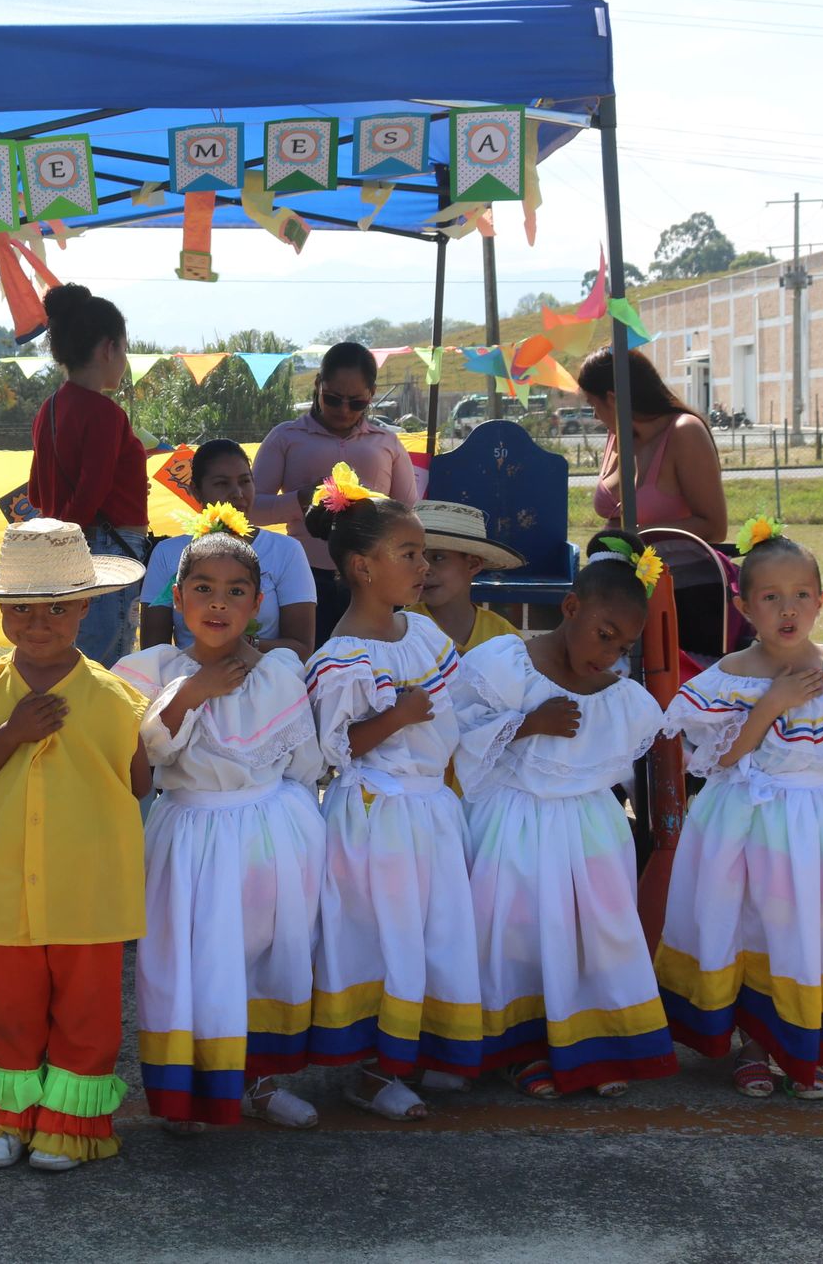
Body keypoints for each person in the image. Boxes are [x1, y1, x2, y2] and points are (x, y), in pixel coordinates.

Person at [655, 521, 823, 1100]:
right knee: (748, 925)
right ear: (743, 605)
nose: (787, 610)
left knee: (808, 931)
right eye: (770, 597)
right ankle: (754, 1047)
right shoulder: (726, 679)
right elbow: (718, 760)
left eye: (801, 596)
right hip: (742, 825)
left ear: (821, 601)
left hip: (818, 825)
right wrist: (773, 703)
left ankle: (803, 1045)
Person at [0, 518, 150, 1172]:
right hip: (4, 889)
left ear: (86, 607)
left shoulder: (118, 697)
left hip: (88, 893)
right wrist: (11, 734)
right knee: (7, 1011)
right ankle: (4, 1117)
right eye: (24, 610)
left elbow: (140, 780)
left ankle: (69, 1124)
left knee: (86, 1016)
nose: (40, 623)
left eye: (58, 607)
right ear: (1, 613)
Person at [114, 509, 326, 1131]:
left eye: (236, 591)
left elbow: (304, 761)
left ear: (258, 603)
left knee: (264, 953)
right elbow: (148, 757)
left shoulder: (281, 672)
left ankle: (260, 1080)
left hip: (268, 837)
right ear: (177, 598)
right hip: (189, 836)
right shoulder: (152, 673)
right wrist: (192, 693)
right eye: (202, 588)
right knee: (194, 957)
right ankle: (194, 1088)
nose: (218, 603)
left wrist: (299, 833)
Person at [450, 532, 674, 1099]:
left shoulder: (621, 700)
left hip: (588, 835)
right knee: (514, 933)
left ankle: (594, 1045)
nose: (610, 654)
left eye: (624, 645)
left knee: (591, 933)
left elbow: (623, 765)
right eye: (604, 634)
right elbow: (455, 737)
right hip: (511, 828)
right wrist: (527, 723)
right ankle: (520, 1047)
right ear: (570, 607)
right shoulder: (504, 665)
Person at [300, 468, 477, 1122]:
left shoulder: (423, 634)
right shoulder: (343, 657)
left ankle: (419, 1047)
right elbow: (335, 746)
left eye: (423, 553)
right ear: (362, 567)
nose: (423, 565)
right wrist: (397, 718)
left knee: (434, 931)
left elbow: (462, 704)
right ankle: (374, 1070)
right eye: (409, 553)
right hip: (379, 818)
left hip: (428, 811)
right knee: (387, 935)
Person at [251, 343, 419, 645]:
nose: (343, 410)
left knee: (375, 666)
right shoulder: (286, 437)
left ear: (371, 394)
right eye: (332, 399)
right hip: (303, 577)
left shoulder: (387, 443)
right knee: (309, 662)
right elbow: (249, 511)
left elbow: (409, 514)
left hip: (374, 580)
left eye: (356, 403)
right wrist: (301, 499)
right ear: (317, 385)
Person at [27, 283, 149, 667]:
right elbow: (91, 491)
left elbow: (35, 493)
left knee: (68, 660)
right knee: (105, 664)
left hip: (57, 552)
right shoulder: (106, 413)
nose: (124, 359)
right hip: (105, 553)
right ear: (108, 347)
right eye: (125, 349)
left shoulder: (47, 409)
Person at [140, 439, 316, 658]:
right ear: (195, 490)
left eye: (245, 481)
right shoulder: (168, 553)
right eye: (222, 484)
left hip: (267, 682)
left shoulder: (286, 550)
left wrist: (242, 643)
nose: (238, 493)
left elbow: (302, 648)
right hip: (188, 683)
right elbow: (153, 649)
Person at [580, 347, 728, 543]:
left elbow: (715, 529)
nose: (595, 416)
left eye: (593, 405)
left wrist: (633, 538)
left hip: (674, 570)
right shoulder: (616, 434)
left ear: (614, 399)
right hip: (619, 570)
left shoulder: (684, 432)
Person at [408, 500, 524, 655]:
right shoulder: (401, 629)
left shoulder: (503, 635)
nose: (425, 568)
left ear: (473, 564)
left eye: (438, 558)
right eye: (415, 557)